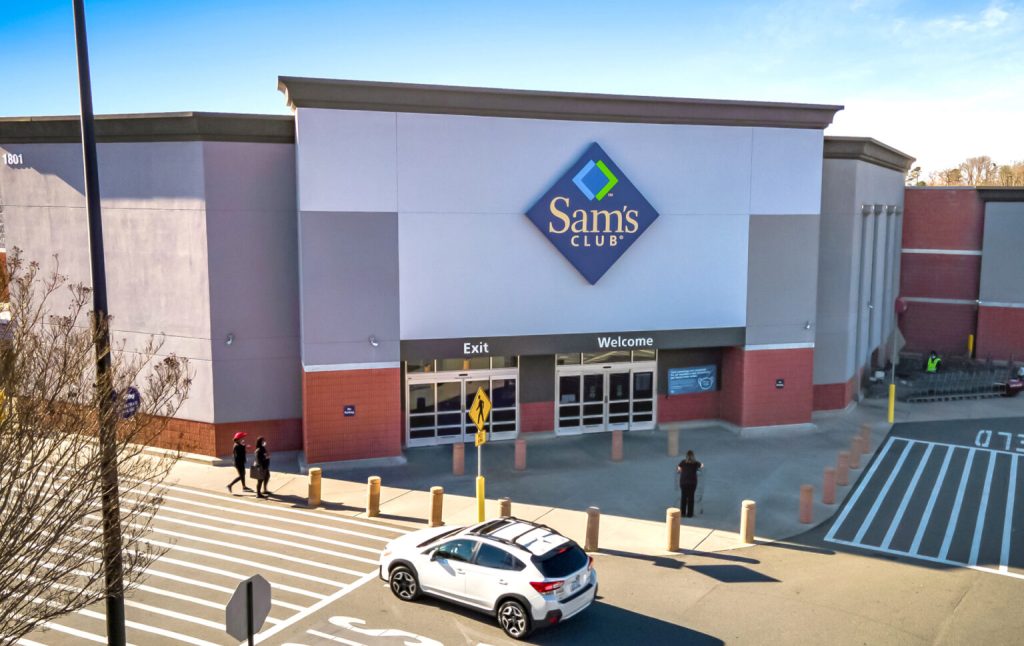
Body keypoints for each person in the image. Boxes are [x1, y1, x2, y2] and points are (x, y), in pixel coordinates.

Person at [677, 450, 703, 518]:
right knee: (691, 497)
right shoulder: (695, 463)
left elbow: (679, 468)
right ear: (693, 456)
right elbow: (702, 466)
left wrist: (681, 470)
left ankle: (682, 513)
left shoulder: (683, 462)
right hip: (692, 483)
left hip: (683, 482)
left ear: (686, 456)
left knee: (684, 497)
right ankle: (690, 514)